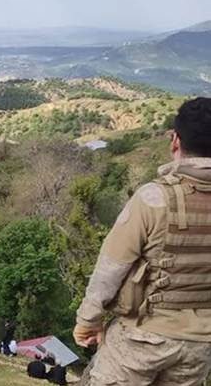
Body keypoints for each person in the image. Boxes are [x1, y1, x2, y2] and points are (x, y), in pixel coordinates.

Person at [73, 98, 211, 385]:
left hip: (141, 338)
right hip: (198, 346)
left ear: (175, 141)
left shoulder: (154, 198)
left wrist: (88, 321)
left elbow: (110, 268)